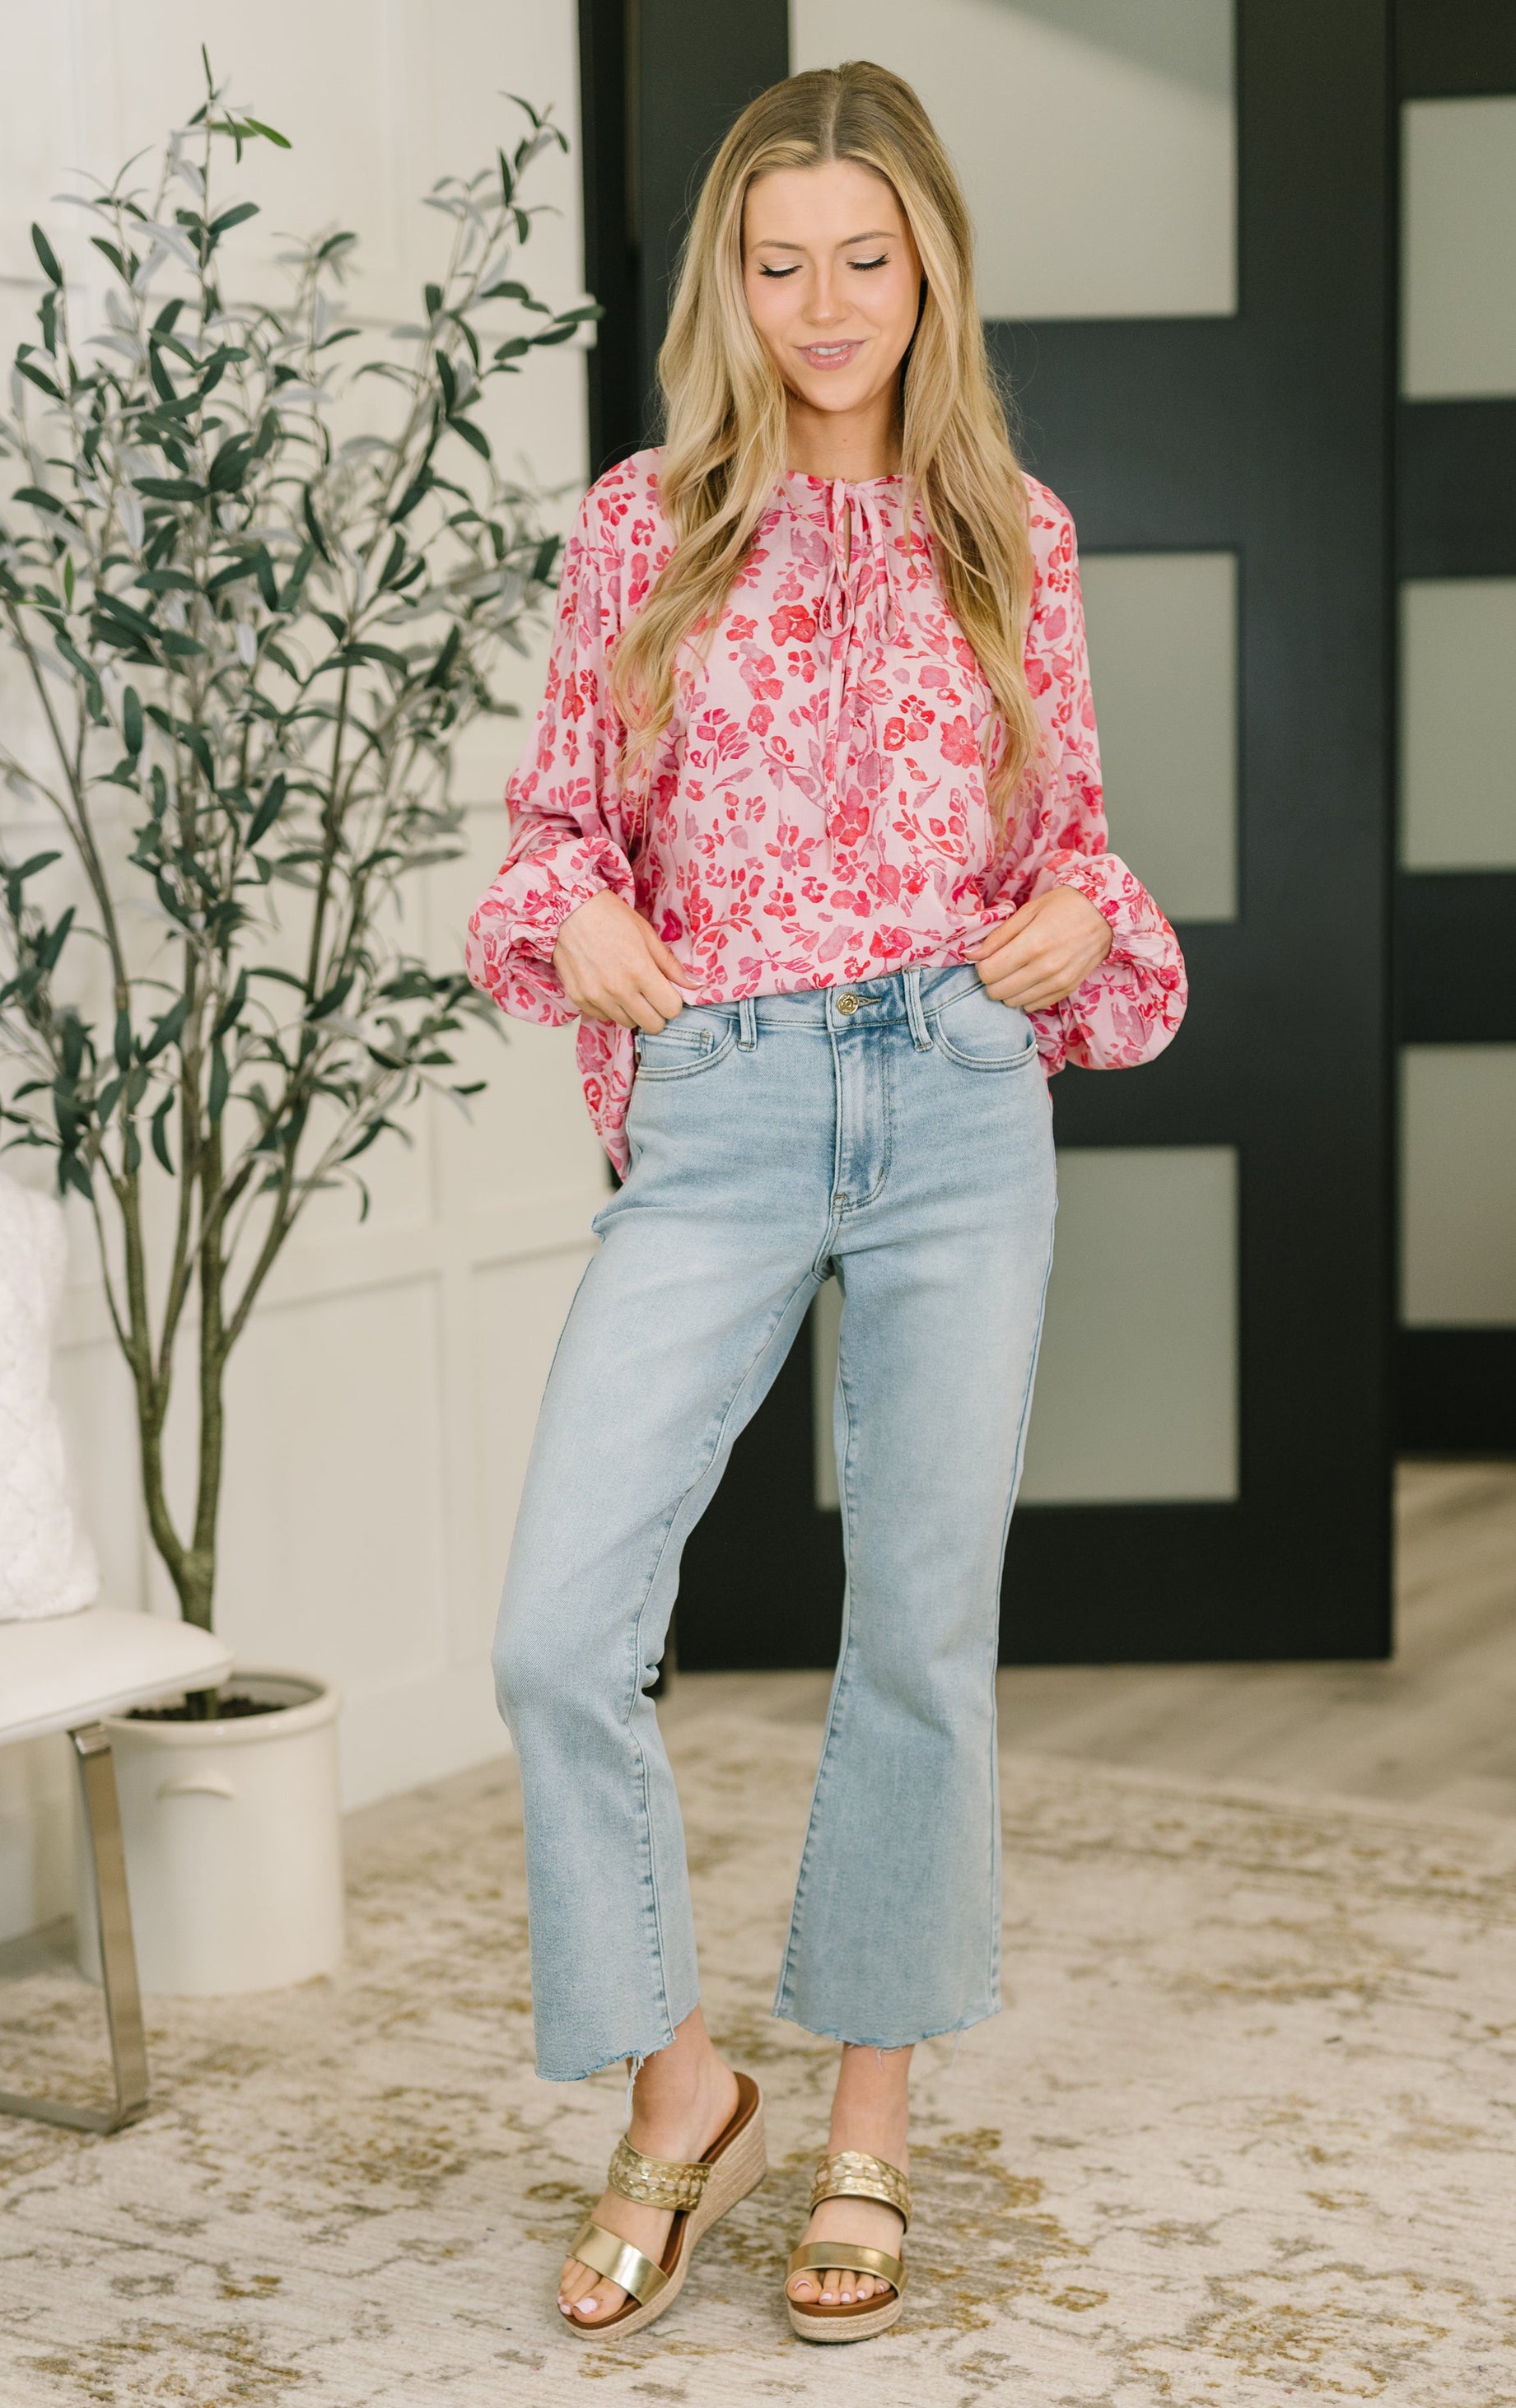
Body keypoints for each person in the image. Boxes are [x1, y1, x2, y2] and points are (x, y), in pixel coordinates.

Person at [465, 58, 1185, 2345]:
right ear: (732, 284)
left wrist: (1075, 923)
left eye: (864, 260)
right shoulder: (643, 524)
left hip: (957, 1093)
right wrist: (581, 918)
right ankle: (684, 2095)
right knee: (558, 1631)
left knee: (917, 1637)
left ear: (930, 269)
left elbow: (1072, 852)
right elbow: (552, 836)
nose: (824, 305)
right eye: (779, 266)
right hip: (731, 1096)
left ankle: (866, 2125)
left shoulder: (1014, 535)